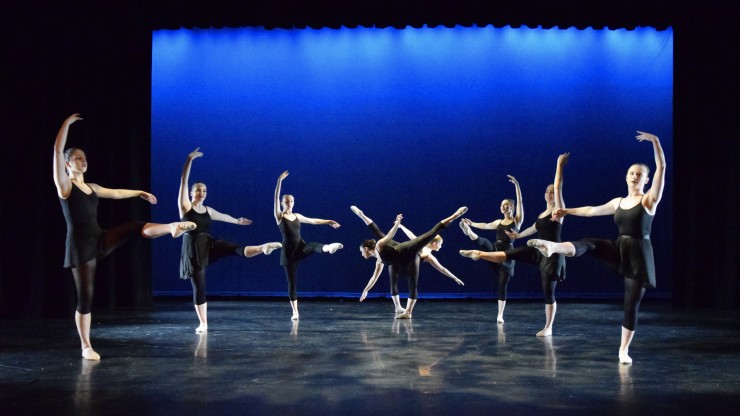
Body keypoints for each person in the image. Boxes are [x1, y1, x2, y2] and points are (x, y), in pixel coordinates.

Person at [53, 113, 196, 361]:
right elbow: (56, 151)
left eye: (84, 158)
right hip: (80, 246)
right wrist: (65, 124)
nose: (83, 161)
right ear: (67, 164)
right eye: (77, 158)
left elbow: (116, 193)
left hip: (99, 238)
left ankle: (172, 227)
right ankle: (85, 345)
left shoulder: (93, 188)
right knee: (86, 296)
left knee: (134, 226)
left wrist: (138, 191)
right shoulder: (65, 187)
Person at [527, 132, 666, 365]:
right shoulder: (618, 202)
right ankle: (553, 247)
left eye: (639, 174)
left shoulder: (649, 200)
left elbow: (661, 167)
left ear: (646, 180)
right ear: (626, 177)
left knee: (631, 304)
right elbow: (592, 210)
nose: (634, 177)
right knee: (589, 243)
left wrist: (656, 142)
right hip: (619, 246)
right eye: (631, 173)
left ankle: (623, 350)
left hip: (639, 254)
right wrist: (567, 211)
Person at [460, 155, 568, 336]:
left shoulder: (559, 211)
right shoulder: (542, 214)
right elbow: (532, 228)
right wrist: (518, 235)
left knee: (548, 292)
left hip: (553, 255)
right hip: (538, 250)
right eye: (547, 192)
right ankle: (478, 252)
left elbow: (558, 187)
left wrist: (558, 166)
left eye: (552, 192)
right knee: (513, 252)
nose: (550, 194)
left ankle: (548, 327)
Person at [179, 148, 282, 333]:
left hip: (208, 244)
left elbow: (223, 216)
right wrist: (189, 160)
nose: (201, 192)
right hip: (193, 250)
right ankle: (203, 322)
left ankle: (263, 247)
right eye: (198, 190)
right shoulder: (185, 207)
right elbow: (183, 181)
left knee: (233, 248)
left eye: (204, 190)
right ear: (192, 193)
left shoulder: (208, 210)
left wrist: (237, 221)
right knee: (199, 286)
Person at [357, 206, 469, 319]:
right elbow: (374, 277)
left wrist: (397, 224)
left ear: (366, 249)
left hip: (404, 250)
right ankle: (399, 308)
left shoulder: (379, 246)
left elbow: (387, 233)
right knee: (394, 274)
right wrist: (366, 290)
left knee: (432, 232)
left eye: (361, 251)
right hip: (402, 261)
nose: (361, 254)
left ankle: (455, 215)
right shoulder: (379, 261)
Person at [274, 171, 344, 320]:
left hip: (300, 247)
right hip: (288, 254)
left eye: (291, 201)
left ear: (294, 202)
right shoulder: (279, 217)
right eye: (286, 201)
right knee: (292, 282)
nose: (289, 203)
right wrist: (279, 181)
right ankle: (295, 311)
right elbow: (274, 197)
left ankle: (328, 248)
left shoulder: (297, 216)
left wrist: (328, 221)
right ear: (282, 203)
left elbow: (313, 220)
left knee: (312, 245)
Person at [458, 175, 523, 323]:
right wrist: (472, 223)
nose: (503, 206)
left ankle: (500, 314)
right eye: (501, 204)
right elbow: (486, 225)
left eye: (506, 204)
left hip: (507, 255)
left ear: (511, 207)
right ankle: (468, 232)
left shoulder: (516, 221)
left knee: (502, 285)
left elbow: (521, 202)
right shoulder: (498, 222)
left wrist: (517, 186)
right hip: (494, 250)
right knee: (486, 242)